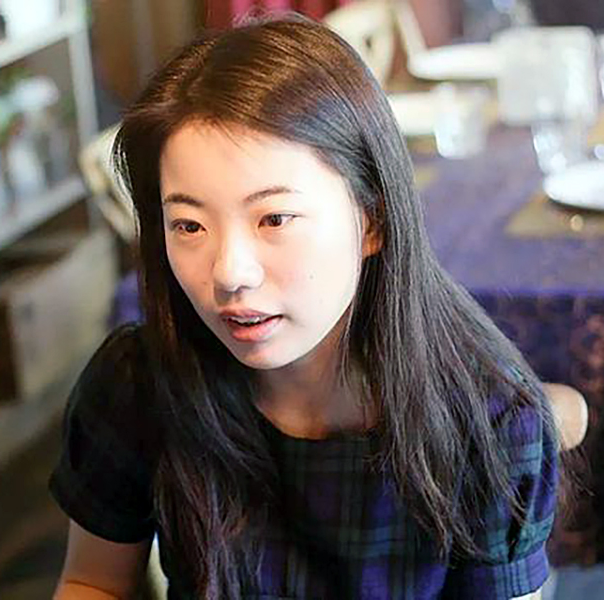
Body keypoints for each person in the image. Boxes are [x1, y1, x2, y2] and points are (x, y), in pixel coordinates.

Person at [49, 15, 560, 599]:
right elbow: (93, 581)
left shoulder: (488, 418)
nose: (230, 273)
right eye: (188, 225)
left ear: (372, 220)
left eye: (274, 219)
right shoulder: (137, 383)